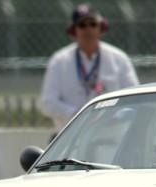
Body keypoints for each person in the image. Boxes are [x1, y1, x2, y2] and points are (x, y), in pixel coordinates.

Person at [39, 4, 139, 134]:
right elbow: (47, 103)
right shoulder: (59, 61)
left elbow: (134, 99)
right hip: (71, 138)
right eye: (82, 25)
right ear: (74, 30)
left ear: (100, 28)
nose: (88, 29)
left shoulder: (119, 59)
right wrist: (77, 115)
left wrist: (112, 116)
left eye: (93, 24)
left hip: (111, 138)